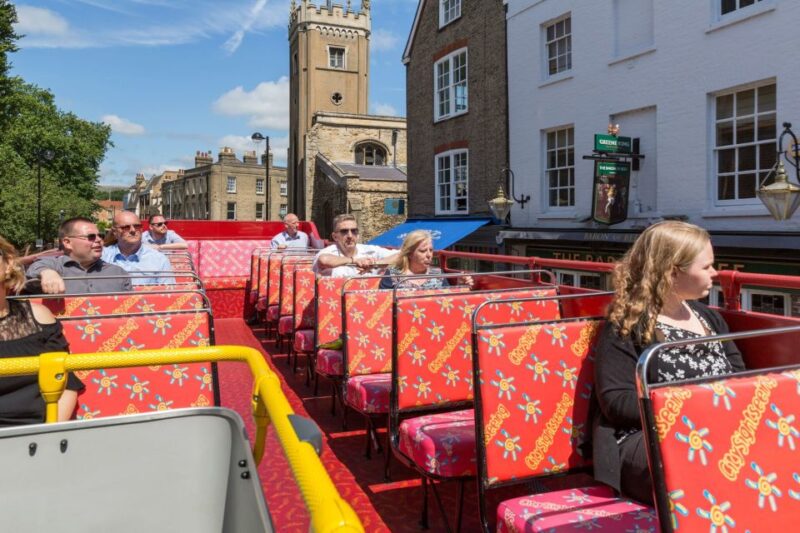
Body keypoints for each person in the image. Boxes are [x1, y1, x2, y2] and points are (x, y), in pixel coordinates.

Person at [592, 221, 745, 505]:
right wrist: (691, 407)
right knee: (709, 464)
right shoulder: (627, 324)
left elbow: (738, 375)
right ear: (672, 272)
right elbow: (617, 402)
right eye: (706, 267)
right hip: (647, 436)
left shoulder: (709, 318)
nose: (715, 273)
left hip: (715, 427)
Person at [0, 235, 83, 425]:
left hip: (33, 434)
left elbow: (66, 382)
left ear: (8, 264)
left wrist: (48, 435)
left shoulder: (38, 317)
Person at [26, 217, 131, 294]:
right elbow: (34, 268)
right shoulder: (55, 266)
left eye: (100, 236)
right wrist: (47, 273)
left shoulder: (119, 274)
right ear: (67, 242)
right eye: (91, 237)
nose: (99, 240)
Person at [379, 230, 473, 290]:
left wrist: (461, 286)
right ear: (410, 254)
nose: (429, 255)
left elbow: (447, 302)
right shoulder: (392, 275)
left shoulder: (438, 275)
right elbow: (384, 306)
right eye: (423, 251)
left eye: (431, 250)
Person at [313, 214, 397, 277]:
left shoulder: (370, 250)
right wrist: (354, 261)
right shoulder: (328, 252)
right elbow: (323, 259)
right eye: (344, 231)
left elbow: (403, 253)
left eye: (354, 231)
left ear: (358, 235)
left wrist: (375, 263)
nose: (350, 235)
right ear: (335, 237)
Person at [101, 211, 173, 285]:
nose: (133, 230)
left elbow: (168, 293)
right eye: (126, 227)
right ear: (114, 232)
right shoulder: (102, 257)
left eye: (137, 226)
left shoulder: (160, 260)